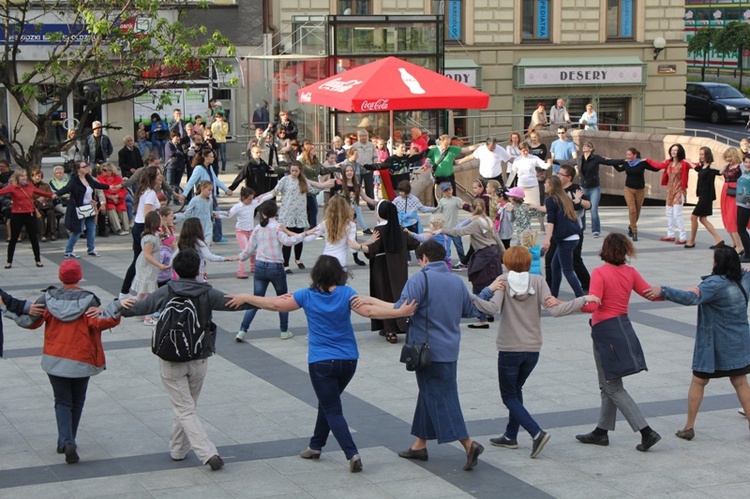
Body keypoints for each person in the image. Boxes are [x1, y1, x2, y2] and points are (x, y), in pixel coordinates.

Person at [227, 255, 417, 473]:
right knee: (328, 403)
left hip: (321, 362)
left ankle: (352, 453)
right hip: (348, 361)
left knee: (332, 408)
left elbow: (275, 304)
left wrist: (247, 297)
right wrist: (399, 312)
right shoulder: (347, 294)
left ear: (315, 274)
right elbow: (370, 311)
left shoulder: (306, 296)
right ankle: (315, 446)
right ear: (339, 273)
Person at [119, 249, 254, 471]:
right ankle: (178, 450)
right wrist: (269, 301)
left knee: (184, 408)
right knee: (187, 405)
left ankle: (208, 453)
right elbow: (237, 303)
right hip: (199, 357)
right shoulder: (208, 292)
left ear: (175, 270)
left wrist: (116, 307)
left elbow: (140, 308)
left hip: (170, 358)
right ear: (198, 270)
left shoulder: (166, 291)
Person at [472, 246, 597, 457]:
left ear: (507, 263)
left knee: (508, 395)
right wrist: (582, 300)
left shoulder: (503, 280)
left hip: (510, 348)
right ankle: (510, 436)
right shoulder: (538, 281)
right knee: (516, 389)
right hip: (533, 349)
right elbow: (555, 310)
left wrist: (473, 296)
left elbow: (491, 308)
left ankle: (536, 432)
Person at [380, 240, 485, 470]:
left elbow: (401, 308)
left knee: (440, 397)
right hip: (450, 349)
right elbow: (470, 311)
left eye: (419, 260)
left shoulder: (420, 279)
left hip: (427, 351)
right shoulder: (456, 281)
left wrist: (373, 305)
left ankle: (468, 443)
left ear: (425, 258)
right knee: (430, 392)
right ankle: (419, 445)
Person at [15, 259, 122, 464]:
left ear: (60, 277)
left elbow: (30, 321)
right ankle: (68, 439)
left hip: (54, 359)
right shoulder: (89, 300)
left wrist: (9, 310)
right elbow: (99, 323)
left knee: (62, 401)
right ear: (80, 277)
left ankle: (65, 440)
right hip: (81, 359)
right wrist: (116, 306)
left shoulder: (47, 298)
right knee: (77, 400)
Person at [647, 246, 750, 440]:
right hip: (740, 340)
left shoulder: (713, 285)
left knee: (699, 380)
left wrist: (664, 290)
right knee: (740, 381)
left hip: (715, 343)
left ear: (718, 263)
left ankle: (689, 427)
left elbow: (689, 298)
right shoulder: (744, 280)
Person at [578, 233, 661, 452]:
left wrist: (573, 304)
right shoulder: (630, 272)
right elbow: (649, 294)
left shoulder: (600, 273)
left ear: (605, 249)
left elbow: (593, 305)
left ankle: (646, 431)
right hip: (623, 328)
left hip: (605, 332)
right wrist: (671, 293)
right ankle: (601, 432)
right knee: (608, 382)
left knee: (612, 386)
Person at [235, 200, 308, 341]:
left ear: (262, 213)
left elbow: (249, 250)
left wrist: (239, 258)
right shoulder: (277, 228)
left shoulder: (257, 228)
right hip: (276, 267)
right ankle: (284, 330)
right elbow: (288, 242)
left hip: (260, 266)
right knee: (283, 299)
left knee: (255, 300)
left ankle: (242, 330)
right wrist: (302, 235)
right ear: (275, 212)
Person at [353, 200, 419, 344]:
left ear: (380, 213)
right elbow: (414, 243)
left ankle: (389, 329)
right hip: (399, 269)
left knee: (384, 296)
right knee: (398, 295)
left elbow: (372, 249)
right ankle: (402, 324)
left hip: (381, 268)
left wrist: (358, 246)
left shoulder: (379, 230)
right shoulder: (399, 229)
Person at [440, 198, 504, 328]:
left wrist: (442, 230)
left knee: (478, 286)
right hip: (493, 255)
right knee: (492, 283)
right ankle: (489, 312)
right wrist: (505, 255)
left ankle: (483, 318)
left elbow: (459, 232)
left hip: (483, 256)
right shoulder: (488, 221)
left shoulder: (476, 223)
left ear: (472, 209)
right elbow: (498, 241)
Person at [276, 161, 334, 273]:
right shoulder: (285, 180)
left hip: (300, 214)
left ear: (300, 171)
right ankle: (286, 264)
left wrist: (324, 186)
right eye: (292, 170)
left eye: (296, 171)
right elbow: (276, 190)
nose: (294, 173)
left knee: (299, 237)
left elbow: (312, 190)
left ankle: (298, 259)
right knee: (288, 240)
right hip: (287, 213)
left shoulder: (303, 181)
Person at [541, 165, 591, 292]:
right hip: (559, 233)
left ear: (569, 178)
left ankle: (585, 288)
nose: (558, 176)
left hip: (571, 231)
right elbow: (551, 212)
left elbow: (588, 205)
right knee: (552, 262)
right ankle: (551, 291)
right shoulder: (557, 194)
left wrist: (579, 201)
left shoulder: (574, 190)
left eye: (561, 174)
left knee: (573, 263)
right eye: (558, 174)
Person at [56, 161, 115, 259]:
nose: (87, 168)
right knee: (78, 230)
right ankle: (68, 251)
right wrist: (56, 194)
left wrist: (109, 187)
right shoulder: (74, 180)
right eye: (84, 167)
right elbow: (66, 188)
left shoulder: (88, 178)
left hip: (89, 207)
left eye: (87, 166)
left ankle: (91, 249)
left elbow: (97, 185)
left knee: (91, 229)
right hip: (80, 208)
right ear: (78, 170)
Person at [119, 167, 162, 298]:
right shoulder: (150, 194)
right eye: (158, 174)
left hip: (140, 227)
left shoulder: (147, 191)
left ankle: (126, 292)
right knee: (144, 260)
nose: (161, 177)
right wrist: (155, 230)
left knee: (138, 260)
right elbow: (147, 214)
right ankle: (134, 292)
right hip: (143, 228)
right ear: (152, 177)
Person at [605, 147, 661, 241]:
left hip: (640, 190)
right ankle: (634, 231)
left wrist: (653, 162)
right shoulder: (626, 163)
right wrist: (612, 162)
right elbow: (619, 169)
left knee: (637, 211)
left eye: (629, 155)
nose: (628, 157)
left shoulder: (642, 163)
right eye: (627, 155)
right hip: (628, 189)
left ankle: (631, 225)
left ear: (635, 155)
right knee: (632, 210)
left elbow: (655, 169)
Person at [0, 170, 54, 268]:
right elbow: (1, 192)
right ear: (17, 178)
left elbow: (41, 192)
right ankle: (9, 261)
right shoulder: (13, 187)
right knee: (13, 239)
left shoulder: (29, 186)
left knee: (33, 238)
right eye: (22, 176)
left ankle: (38, 260)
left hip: (30, 214)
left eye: (25, 176)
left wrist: (52, 195)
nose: (24, 178)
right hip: (17, 215)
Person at [182, 150, 233, 243]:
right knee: (206, 217)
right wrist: (184, 194)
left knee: (216, 215)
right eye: (211, 156)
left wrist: (226, 189)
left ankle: (216, 236)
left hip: (211, 197)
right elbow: (191, 182)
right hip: (202, 197)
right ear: (205, 158)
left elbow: (215, 180)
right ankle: (207, 237)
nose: (213, 158)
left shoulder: (209, 167)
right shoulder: (199, 169)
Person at [647, 144, 693, 245]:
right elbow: (658, 165)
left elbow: (696, 165)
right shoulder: (668, 163)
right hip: (670, 190)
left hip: (679, 190)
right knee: (669, 213)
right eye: (672, 150)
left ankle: (683, 237)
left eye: (676, 150)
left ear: (680, 151)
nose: (673, 152)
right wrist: (647, 160)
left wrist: (701, 162)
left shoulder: (684, 163)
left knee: (677, 214)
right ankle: (670, 234)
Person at [226, 186, 276, 279]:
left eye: (252, 199)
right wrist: (218, 215)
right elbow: (228, 215)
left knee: (254, 251)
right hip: (241, 231)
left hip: (251, 231)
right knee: (246, 251)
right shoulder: (238, 207)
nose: (251, 201)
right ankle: (240, 272)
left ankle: (253, 267)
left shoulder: (252, 203)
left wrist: (274, 190)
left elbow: (266, 197)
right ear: (243, 198)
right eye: (249, 199)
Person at [302, 195, 358, 273]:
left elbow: (307, 239)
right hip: (341, 263)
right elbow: (353, 250)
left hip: (325, 260)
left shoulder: (325, 223)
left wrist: (298, 234)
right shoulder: (350, 225)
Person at [577, 141, 619, 238]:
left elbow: (609, 162)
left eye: (587, 145)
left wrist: (624, 161)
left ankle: (596, 230)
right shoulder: (580, 158)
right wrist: (554, 161)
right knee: (581, 208)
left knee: (593, 209)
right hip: (583, 187)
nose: (584, 147)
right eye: (583, 145)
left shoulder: (596, 158)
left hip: (594, 188)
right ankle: (581, 228)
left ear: (591, 149)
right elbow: (567, 162)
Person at [177, 217, 238, 283]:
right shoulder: (199, 243)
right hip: (198, 271)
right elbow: (210, 256)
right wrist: (227, 258)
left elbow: (174, 257)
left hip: (184, 271)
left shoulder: (182, 242)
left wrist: (168, 266)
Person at [686, 147, 724, 249]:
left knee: (693, 217)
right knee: (702, 219)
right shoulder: (702, 166)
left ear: (707, 155)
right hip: (702, 196)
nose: (701, 156)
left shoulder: (711, 166)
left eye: (703, 154)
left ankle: (692, 241)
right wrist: (689, 162)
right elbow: (697, 169)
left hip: (706, 197)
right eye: (700, 154)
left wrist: (726, 165)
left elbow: (721, 171)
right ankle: (718, 239)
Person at [426, 134, 478, 200]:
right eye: (446, 144)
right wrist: (434, 167)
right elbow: (427, 161)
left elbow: (467, 149)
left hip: (449, 178)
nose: (447, 146)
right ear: (441, 142)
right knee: (438, 199)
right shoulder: (434, 150)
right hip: (438, 178)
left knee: (452, 198)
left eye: (448, 144)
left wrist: (479, 145)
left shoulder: (451, 149)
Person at [435, 182, 467, 268]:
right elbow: (438, 213)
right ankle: (446, 261)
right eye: (446, 190)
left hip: (455, 227)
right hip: (446, 228)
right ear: (443, 192)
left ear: (452, 189)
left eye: (449, 189)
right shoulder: (442, 201)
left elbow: (464, 206)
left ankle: (463, 262)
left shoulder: (457, 200)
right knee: (446, 247)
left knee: (459, 245)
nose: (448, 192)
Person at [720, 147, 746, 253]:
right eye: (726, 157)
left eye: (730, 156)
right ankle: (734, 242)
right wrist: (726, 165)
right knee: (726, 217)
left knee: (732, 218)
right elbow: (720, 172)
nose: (728, 159)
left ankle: (740, 245)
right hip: (726, 191)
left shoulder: (740, 167)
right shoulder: (728, 166)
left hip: (734, 192)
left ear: (735, 156)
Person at [508, 141, 549, 206]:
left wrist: (549, 163)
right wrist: (507, 185)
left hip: (533, 185)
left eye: (527, 150)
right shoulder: (517, 160)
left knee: (535, 205)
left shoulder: (534, 158)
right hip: (522, 186)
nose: (526, 152)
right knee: (522, 206)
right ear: (520, 150)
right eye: (524, 151)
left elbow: (544, 165)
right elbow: (513, 173)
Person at [96, 163, 130, 236]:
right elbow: (101, 191)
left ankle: (126, 228)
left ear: (111, 171)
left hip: (118, 199)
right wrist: (110, 197)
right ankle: (118, 229)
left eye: (105, 170)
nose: (103, 171)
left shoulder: (118, 178)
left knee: (122, 208)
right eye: (102, 169)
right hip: (108, 200)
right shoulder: (100, 178)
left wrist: (117, 196)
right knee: (111, 208)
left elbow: (124, 190)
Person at [30, 168, 56, 242]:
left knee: (51, 213)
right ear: (32, 177)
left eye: (39, 176)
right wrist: (37, 199)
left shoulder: (45, 185)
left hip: (46, 205)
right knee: (40, 215)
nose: (37, 178)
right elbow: (28, 197)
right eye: (35, 176)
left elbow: (50, 195)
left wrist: (44, 198)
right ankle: (42, 235)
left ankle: (52, 233)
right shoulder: (29, 186)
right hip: (36, 206)